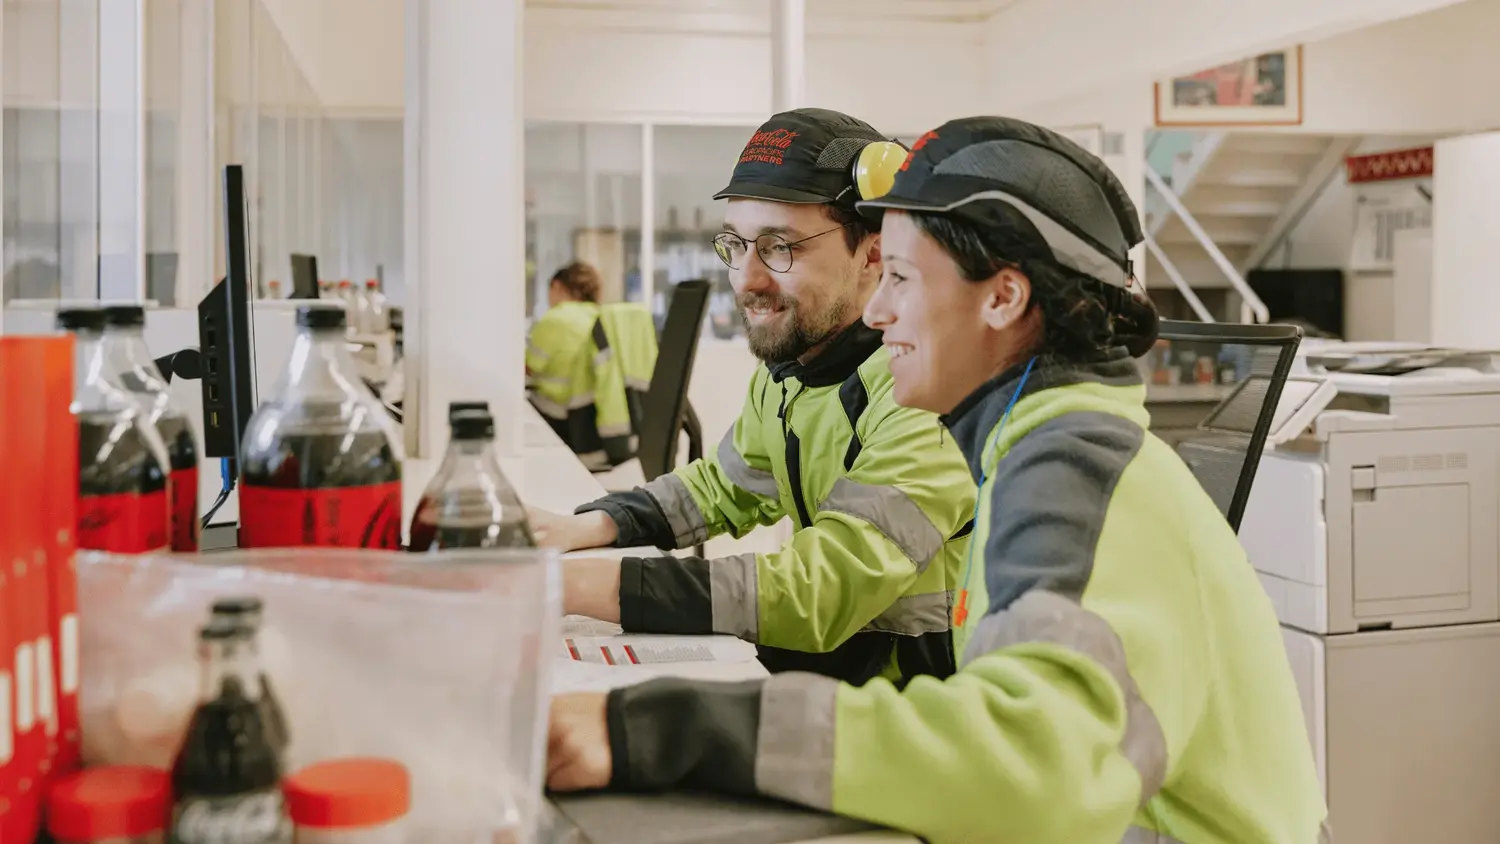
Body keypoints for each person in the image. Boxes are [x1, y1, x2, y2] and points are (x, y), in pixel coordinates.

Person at [547, 116, 1330, 844]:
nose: (879, 312)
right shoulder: (1034, 446)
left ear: (1004, 297)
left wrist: (659, 727)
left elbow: (1030, 769)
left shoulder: (1074, 472)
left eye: (901, 279)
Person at [529, 108, 976, 686]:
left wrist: (571, 585)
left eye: (779, 247)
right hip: (827, 673)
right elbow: (725, 485)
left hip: (908, 703)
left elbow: (822, 589)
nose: (745, 278)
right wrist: (589, 527)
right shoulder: (792, 367)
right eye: (736, 244)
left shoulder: (926, 386)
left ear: (873, 252)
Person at [527, 261, 657, 469]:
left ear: (557, 287)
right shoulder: (602, 317)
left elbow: (527, 369)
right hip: (598, 418)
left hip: (562, 417)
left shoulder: (554, 319)